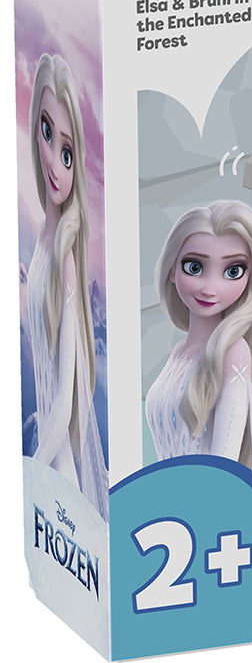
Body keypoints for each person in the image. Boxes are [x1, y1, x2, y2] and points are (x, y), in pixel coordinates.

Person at [146, 200, 252, 504]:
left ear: (250, 277)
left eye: (233, 270)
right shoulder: (178, 353)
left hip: (206, 507)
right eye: (195, 267)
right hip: (167, 504)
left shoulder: (233, 352)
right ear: (172, 270)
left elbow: (224, 465)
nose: (210, 288)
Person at [27, 53, 107, 518]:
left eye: (68, 153)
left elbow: (65, 392)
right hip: (50, 463)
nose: (57, 165)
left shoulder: (65, 255)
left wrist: (33, 466)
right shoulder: (43, 241)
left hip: (57, 468)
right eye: (46, 132)